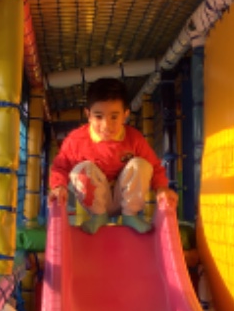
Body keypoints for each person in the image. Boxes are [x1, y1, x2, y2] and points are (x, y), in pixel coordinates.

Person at [47, 77, 177, 234]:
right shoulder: (76, 140)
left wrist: (161, 189)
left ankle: (130, 216)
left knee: (140, 164)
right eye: (98, 116)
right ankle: (98, 217)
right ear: (88, 114)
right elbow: (60, 166)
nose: (106, 125)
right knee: (81, 169)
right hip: (95, 202)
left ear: (125, 114)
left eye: (114, 117)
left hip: (125, 199)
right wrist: (59, 187)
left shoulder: (134, 138)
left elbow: (154, 167)